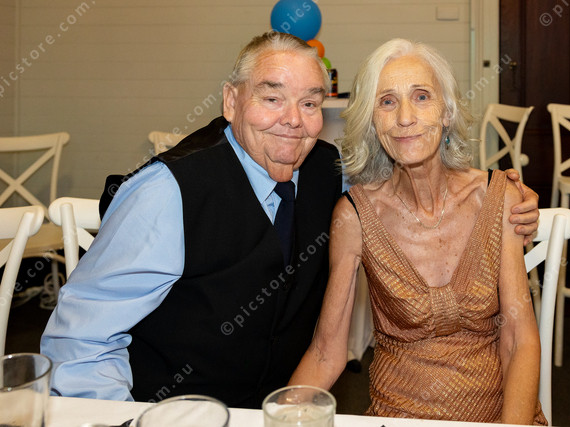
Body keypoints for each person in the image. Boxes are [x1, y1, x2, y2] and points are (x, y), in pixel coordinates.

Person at [41, 33, 540, 409]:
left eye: (310, 103)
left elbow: (405, 171)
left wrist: (511, 197)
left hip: (280, 410)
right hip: (173, 411)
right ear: (231, 100)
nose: (293, 120)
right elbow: (80, 339)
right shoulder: (167, 192)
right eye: (272, 97)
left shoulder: (327, 172)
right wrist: (123, 419)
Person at [289, 39, 548, 425]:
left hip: (499, 415)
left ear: (447, 112)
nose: (405, 118)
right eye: (387, 102)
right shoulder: (355, 217)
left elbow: (519, 339)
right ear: (373, 122)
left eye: (422, 97)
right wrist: (276, 416)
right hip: (399, 415)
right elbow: (326, 353)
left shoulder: (500, 198)